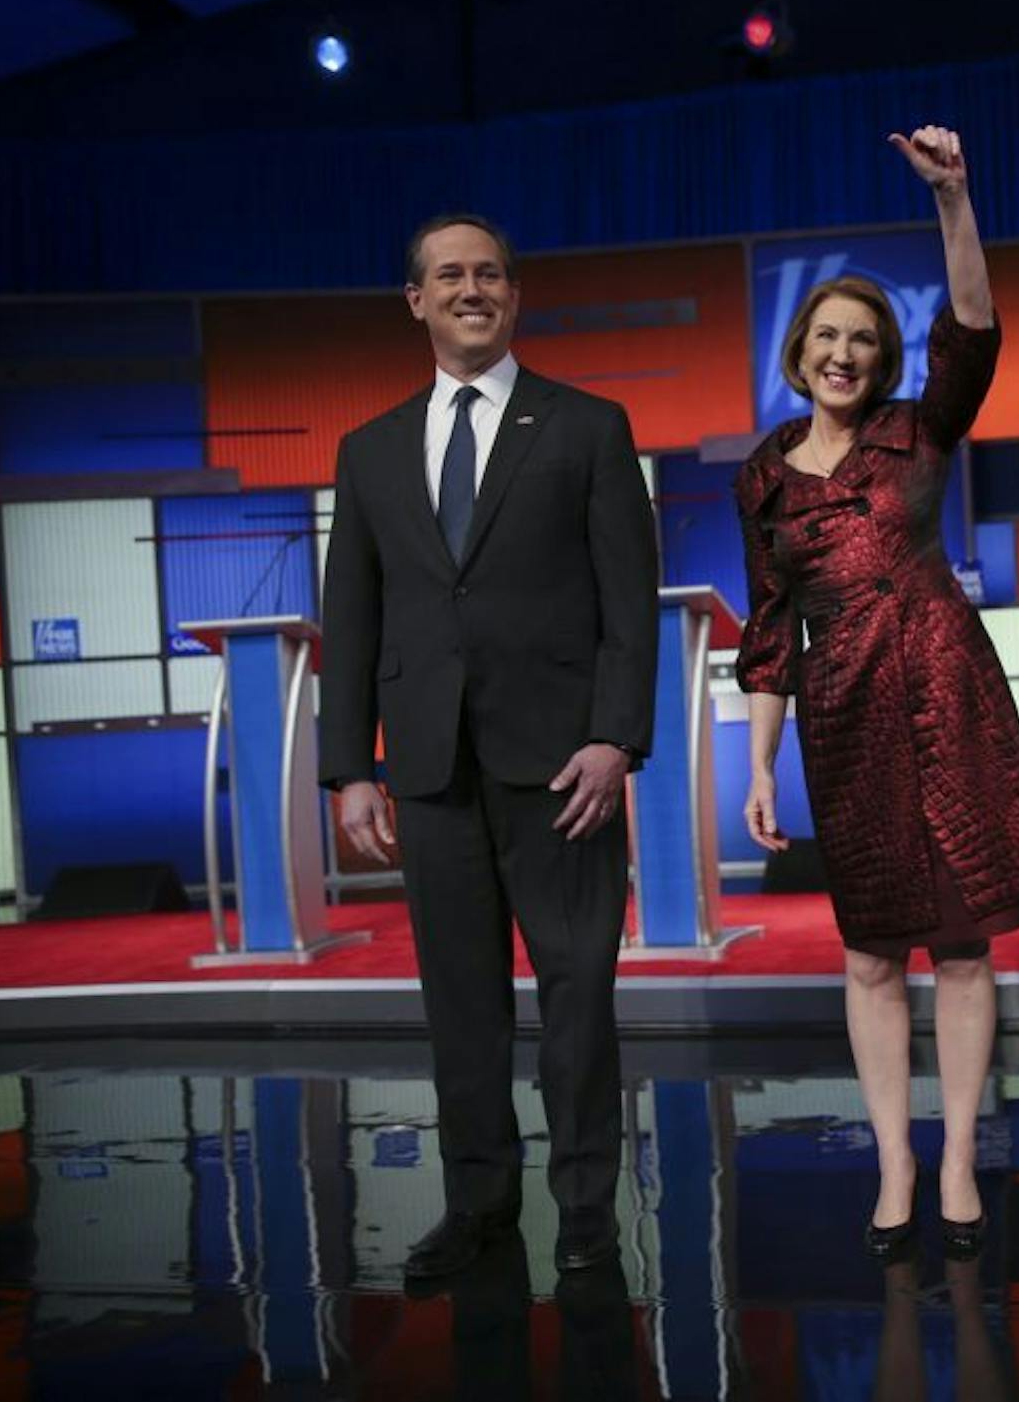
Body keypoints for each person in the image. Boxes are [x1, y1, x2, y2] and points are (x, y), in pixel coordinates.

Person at [732, 126, 1019, 1257]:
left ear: (881, 360)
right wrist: (761, 763)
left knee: (965, 947)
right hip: (844, 717)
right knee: (871, 952)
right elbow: (772, 625)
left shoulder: (919, 433)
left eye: (864, 340)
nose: (843, 354)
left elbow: (974, 326)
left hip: (948, 692)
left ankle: (963, 1154)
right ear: (800, 350)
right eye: (826, 336)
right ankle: (895, 1162)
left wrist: (956, 199)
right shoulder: (765, 475)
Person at [320, 213, 658, 1280]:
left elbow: (629, 605)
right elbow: (355, 617)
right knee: (460, 1009)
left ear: (515, 295)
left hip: (565, 773)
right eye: (450, 276)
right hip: (428, 770)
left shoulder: (588, 426)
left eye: (491, 274)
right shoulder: (369, 450)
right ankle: (479, 1209)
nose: (473, 289)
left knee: (577, 1002)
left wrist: (615, 737)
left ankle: (589, 1216)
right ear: (414, 299)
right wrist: (346, 768)